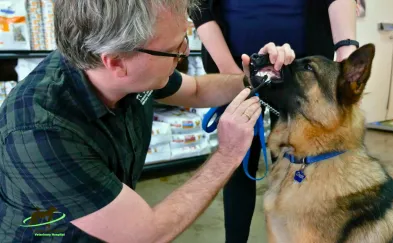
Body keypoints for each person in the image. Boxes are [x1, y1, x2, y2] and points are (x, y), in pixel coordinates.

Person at [0, 0, 297, 242]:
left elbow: (195, 90)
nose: (184, 53)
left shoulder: (124, 71)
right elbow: (146, 234)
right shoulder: (40, 132)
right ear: (116, 62)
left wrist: (255, 79)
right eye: (172, 50)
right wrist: (228, 154)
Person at [190, 0, 358, 242]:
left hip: (302, 70)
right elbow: (199, 6)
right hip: (235, 62)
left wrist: (346, 49)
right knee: (238, 161)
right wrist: (233, 74)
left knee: (299, 165)